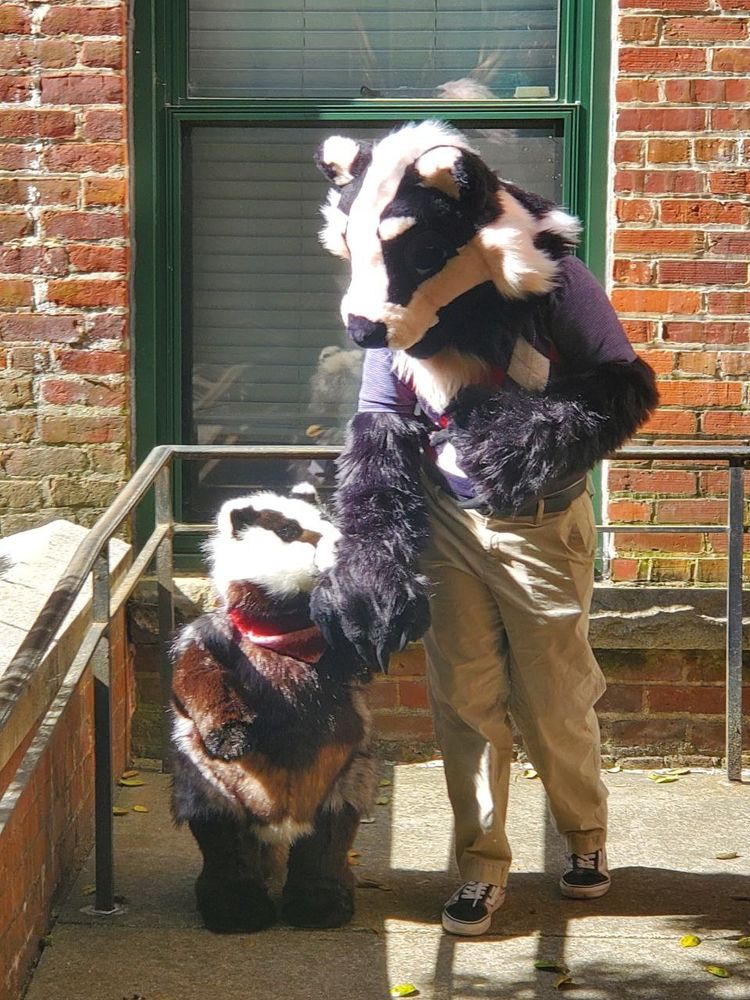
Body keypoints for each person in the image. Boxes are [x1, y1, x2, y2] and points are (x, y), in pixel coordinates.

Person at [311, 121, 658, 937]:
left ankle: (584, 834)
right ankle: (481, 864)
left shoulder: (550, 277)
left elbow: (621, 386)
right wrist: (372, 540)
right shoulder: (394, 286)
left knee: (554, 699)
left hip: (541, 518)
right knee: (463, 701)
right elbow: (379, 415)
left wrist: (523, 444)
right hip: (446, 519)